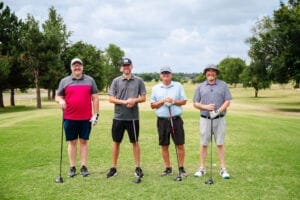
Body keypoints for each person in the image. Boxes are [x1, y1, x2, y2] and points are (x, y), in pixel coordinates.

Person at [55, 58, 99, 177]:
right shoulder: (64, 81)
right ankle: (72, 167)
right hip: (69, 117)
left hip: (86, 117)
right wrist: (61, 101)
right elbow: (58, 96)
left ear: (82, 67)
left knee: (84, 141)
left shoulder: (90, 80)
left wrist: (96, 114)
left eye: (79, 65)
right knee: (72, 142)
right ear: (71, 67)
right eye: (75, 65)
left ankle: (84, 166)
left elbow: (95, 98)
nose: (77, 67)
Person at [106, 58, 146, 179]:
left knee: (135, 142)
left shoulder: (138, 80)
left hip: (133, 118)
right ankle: (113, 167)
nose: (126, 67)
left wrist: (134, 100)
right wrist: (125, 102)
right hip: (118, 117)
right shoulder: (116, 81)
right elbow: (111, 99)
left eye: (128, 65)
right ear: (121, 68)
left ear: (132, 67)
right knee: (116, 142)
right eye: (124, 66)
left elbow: (143, 98)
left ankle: (137, 167)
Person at [193, 64, 232, 179]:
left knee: (220, 143)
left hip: (219, 119)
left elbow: (227, 101)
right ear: (205, 74)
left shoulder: (223, 85)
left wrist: (218, 111)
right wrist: (205, 107)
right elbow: (195, 103)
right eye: (208, 73)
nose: (211, 75)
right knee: (204, 144)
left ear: (216, 74)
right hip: (205, 119)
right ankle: (202, 168)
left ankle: (223, 169)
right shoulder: (200, 86)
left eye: (213, 73)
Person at [150, 66, 188, 177]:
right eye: (163, 73)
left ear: (171, 74)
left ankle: (181, 168)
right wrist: (162, 101)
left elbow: (184, 101)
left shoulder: (178, 86)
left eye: (167, 73)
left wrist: (173, 101)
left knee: (179, 144)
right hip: (162, 120)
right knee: (164, 145)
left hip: (176, 119)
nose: (165, 75)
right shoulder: (156, 88)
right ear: (160, 75)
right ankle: (168, 168)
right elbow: (152, 105)